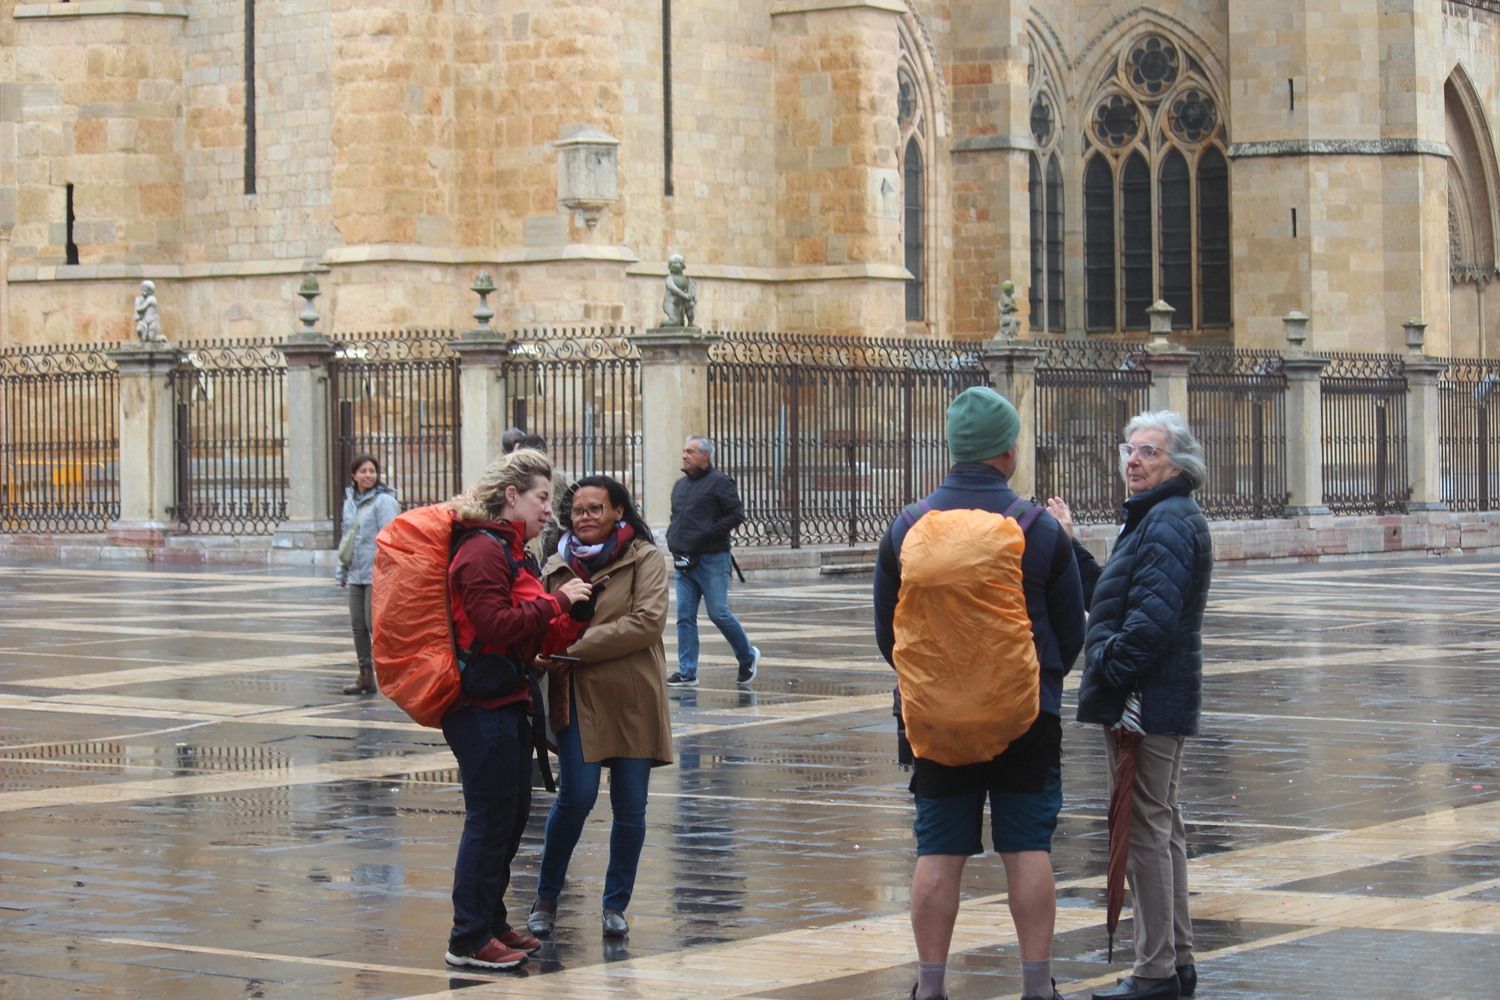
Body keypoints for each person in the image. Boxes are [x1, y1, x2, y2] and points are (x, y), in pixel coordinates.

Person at [874, 386, 1085, 1000]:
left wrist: (941, 681)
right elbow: (1071, 633)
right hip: (1026, 713)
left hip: (935, 719)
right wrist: (1031, 680)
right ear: (1008, 450)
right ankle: (1036, 987)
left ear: (952, 449)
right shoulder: (1040, 527)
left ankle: (932, 987)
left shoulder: (907, 527)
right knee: (1027, 847)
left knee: (938, 848)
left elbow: (889, 633)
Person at [1050, 411, 1213, 1000]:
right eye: (1129, 449)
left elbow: (1148, 625)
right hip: (1152, 694)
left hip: (1144, 698)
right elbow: (1111, 598)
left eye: (1149, 452)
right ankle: (1177, 960)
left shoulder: (1167, 522)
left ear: (1178, 465)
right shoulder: (1153, 518)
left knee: (1146, 830)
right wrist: (1069, 545)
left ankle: (1154, 972)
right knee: (1160, 824)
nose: (1134, 461)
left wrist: (1107, 668)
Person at [441, 448, 593, 971]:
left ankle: (492, 919)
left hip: (507, 698)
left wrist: (571, 615)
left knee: (510, 818)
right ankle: (467, 939)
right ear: (512, 496)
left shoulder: (512, 551)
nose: (550, 510)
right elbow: (497, 625)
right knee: (489, 820)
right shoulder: (481, 552)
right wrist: (555, 602)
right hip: (478, 705)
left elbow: (531, 629)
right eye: (542, 498)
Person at [527, 475, 674, 940]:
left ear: (618, 512)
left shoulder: (645, 557)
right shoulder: (554, 564)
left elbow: (646, 623)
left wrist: (577, 647)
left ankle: (615, 905)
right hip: (578, 696)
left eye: (596, 509)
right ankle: (546, 899)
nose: (585, 517)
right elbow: (540, 616)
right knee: (576, 797)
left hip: (633, 698)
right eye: (578, 510)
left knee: (631, 807)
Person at [665, 435, 759, 687]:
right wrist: (673, 538)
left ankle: (747, 655)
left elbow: (736, 514)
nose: (684, 455)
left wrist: (708, 532)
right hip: (684, 559)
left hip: (712, 559)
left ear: (705, 456)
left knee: (718, 613)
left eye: (691, 451)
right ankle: (687, 670)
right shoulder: (680, 485)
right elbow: (677, 517)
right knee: (684, 616)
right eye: (684, 451)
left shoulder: (720, 483)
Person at [334, 454, 400, 695]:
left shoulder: (384, 501)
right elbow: (347, 537)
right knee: (358, 626)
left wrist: (389, 571)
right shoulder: (350, 501)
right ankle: (364, 675)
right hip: (356, 573)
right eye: (363, 471)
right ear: (354, 476)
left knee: (376, 626)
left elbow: (391, 537)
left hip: (377, 572)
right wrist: (342, 569)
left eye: (372, 471)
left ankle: (398, 672)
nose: (368, 475)